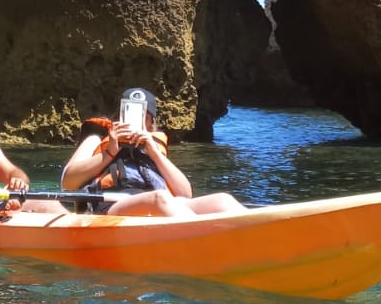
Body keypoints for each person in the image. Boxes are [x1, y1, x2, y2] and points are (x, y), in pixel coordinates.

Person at [60, 89, 245, 218]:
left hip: (156, 205)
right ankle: (204, 241)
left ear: (151, 123)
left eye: (144, 116)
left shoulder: (154, 146)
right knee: (159, 198)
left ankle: (255, 238)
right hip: (109, 206)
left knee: (223, 200)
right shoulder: (97, 140)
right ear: (119, 116)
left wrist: (154, 153)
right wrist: (110, 152)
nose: (138, 120)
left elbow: (185, 194)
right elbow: (67, 183)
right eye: (130, 113)